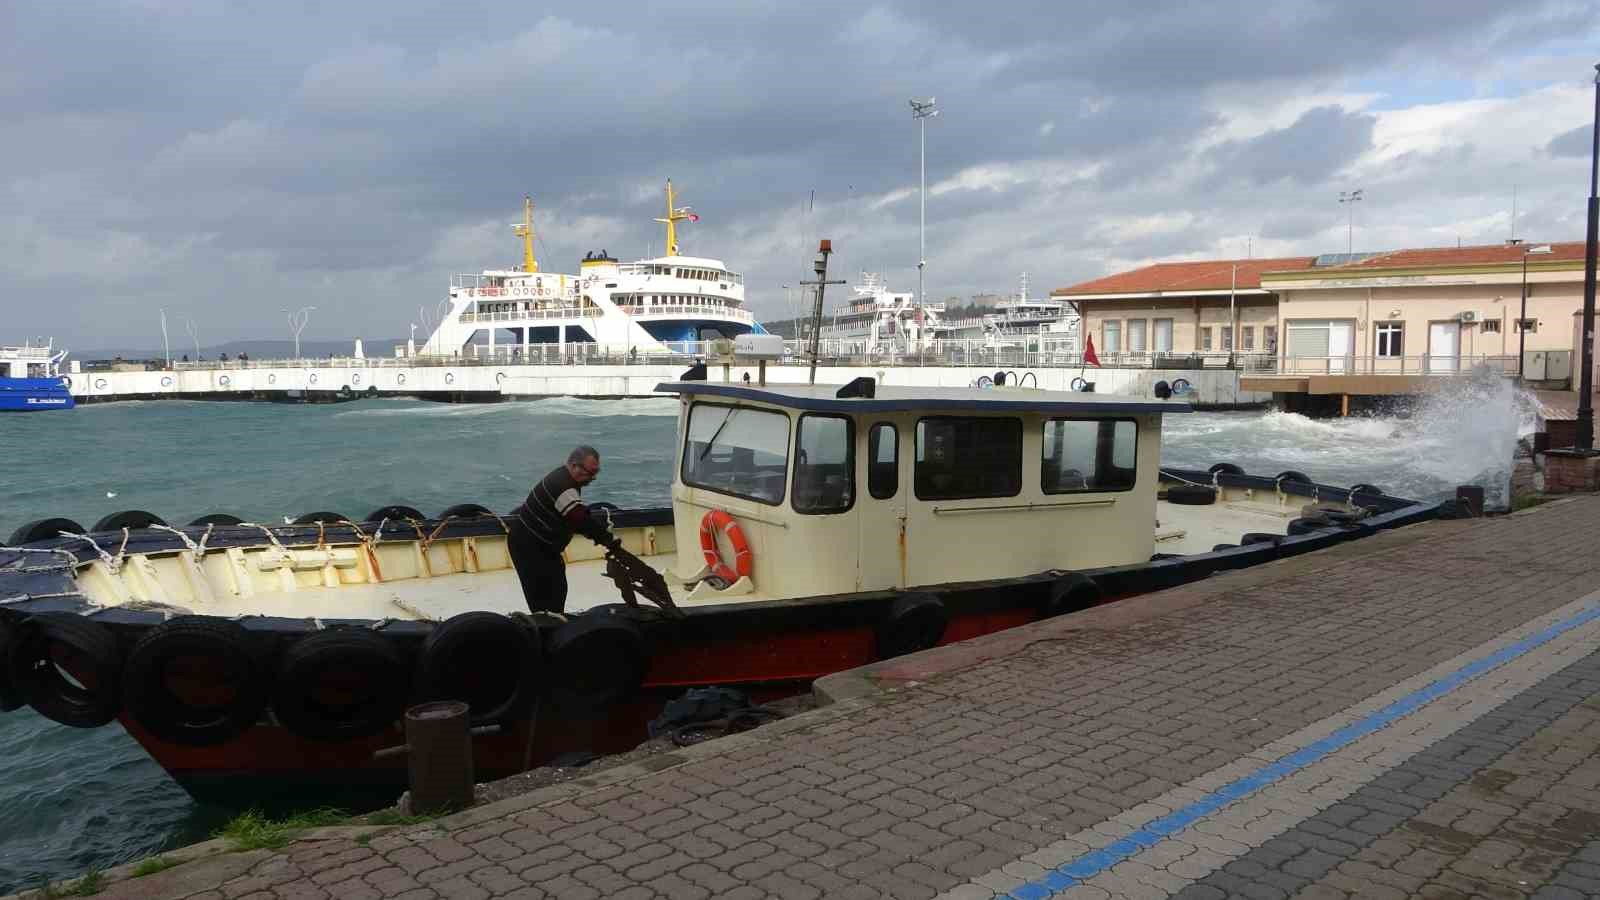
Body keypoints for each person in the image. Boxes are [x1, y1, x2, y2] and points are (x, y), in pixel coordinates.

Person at [506, 445, 619, 615]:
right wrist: (606, 538)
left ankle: (552, 620)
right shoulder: (563, 485)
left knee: (557, 587)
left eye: (596, 473)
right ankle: (547, 627)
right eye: (589, 473)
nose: (592, 478)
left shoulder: (565, 477)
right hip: (528, 546)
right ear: (574, 465)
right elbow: (580, 519)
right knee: (545, 596)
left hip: (542, 546)